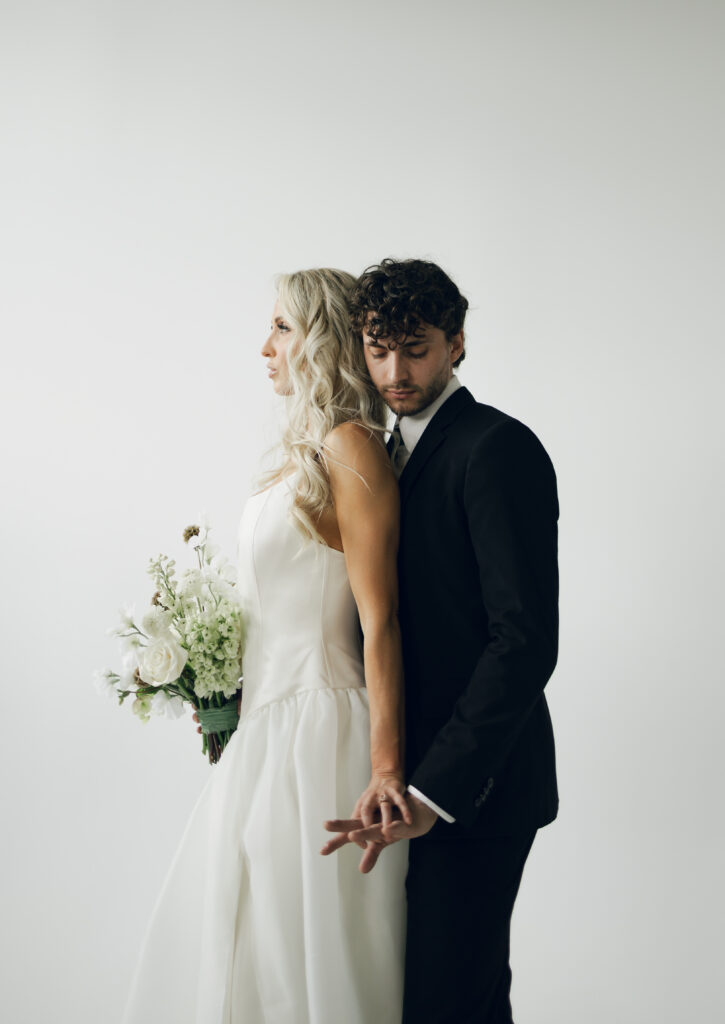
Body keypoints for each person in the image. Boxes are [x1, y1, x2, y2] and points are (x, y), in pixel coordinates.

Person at [122, 268, 410, 1024]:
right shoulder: (297, 455)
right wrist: (222, 693)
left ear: (320, 339)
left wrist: (385, 768)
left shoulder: (352, 447)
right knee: (257, 940)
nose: (265, 347)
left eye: (282, 328)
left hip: (322, 732)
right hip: (266, 730)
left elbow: (379, 620)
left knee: (314, 944)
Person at [322, 258, 559, 1023]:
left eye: (416, 348)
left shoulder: (496, 448)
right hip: (386, 783)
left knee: (447, 1003)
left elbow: (522, 640)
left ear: (457, 343)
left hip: (472, 790)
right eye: (377, 348)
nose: (394, 371)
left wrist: (434, 790)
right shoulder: (375, 454)